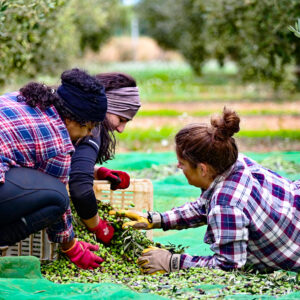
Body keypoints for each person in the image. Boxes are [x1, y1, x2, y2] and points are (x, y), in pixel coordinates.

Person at [111, 107, 300, 273]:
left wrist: (173, 262)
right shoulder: (234, 162)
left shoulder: (226, 206)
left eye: (182, 164)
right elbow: (205, 206)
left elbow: (229, 266)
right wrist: (156, 220)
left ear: (202, 169)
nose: (178, 166)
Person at [0, 68, 107, 270]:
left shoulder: (27, 99)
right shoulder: (57, 140)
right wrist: (71, 246)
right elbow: (59, 203)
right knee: (57, 197)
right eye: (89, 127)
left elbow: (22, 160)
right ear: (72, 120)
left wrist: (94, 173)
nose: (88, 134)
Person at [69, 72, 141, 245]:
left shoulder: (71, 110)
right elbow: (80, 188)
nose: (121, 129)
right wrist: (98, 226)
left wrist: (96, 172)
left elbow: (54, 161)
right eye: (122, 119)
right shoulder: (93, 126)